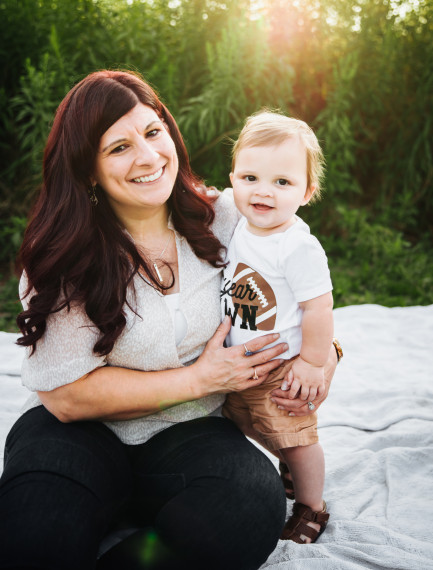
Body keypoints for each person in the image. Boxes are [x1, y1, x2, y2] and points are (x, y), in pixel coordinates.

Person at [0, 71, 338, 570]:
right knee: (37, 532)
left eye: (153, 133)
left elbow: (301, 289)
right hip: (77, 436)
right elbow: (66, 397)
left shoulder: (227, 215)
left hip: (191, 430)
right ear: (87, 169)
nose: (147, 156)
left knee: (247, 503)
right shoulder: (62, 254)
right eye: (118, 147)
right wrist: (199, 378)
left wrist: (322, 360)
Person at [221, 111, 337, 544]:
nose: (263, 191)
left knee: (296, 436)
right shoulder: (238, 227)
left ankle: (312, 506)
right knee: (246, 424)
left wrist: (311, 363)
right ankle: (287, 464)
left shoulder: (298, 246)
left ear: (307, 192)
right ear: (232, 179)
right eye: (250, 177)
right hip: (241, 364)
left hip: (281, 368)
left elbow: (319, 308)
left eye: (282, 183)